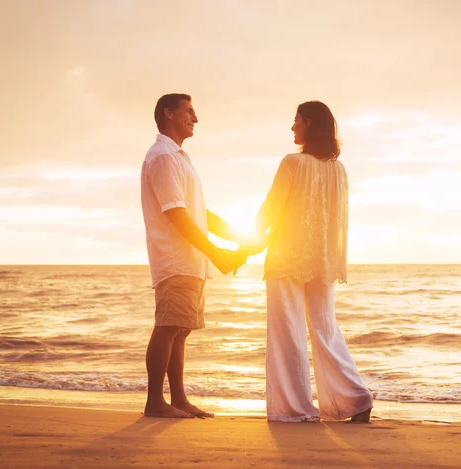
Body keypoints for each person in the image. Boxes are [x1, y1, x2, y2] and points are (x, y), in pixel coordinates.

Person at [249, 101, 373, 423]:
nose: (292, 128)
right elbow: (338, 221)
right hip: (323, 259)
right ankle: (356, 398)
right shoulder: (338, 169)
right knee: (325, 328)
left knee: (287, 330)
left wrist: (242, 246)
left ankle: (296, 409)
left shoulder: (292, 163)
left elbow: (270, 209)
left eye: (296, 121)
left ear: (310, 125)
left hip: (287, 257)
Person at [140, 93, 246, 418]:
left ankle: (179, 400)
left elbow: (200, 213)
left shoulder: (179, 158)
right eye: (189, 111)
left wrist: (240, 236)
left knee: (180, 331)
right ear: (168, 113)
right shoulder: (162, 157)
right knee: (169, 326)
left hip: (190, 261)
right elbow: (178, 215)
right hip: (175, 260)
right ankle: (155, 402)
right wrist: (215, 253)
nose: (195, 118)